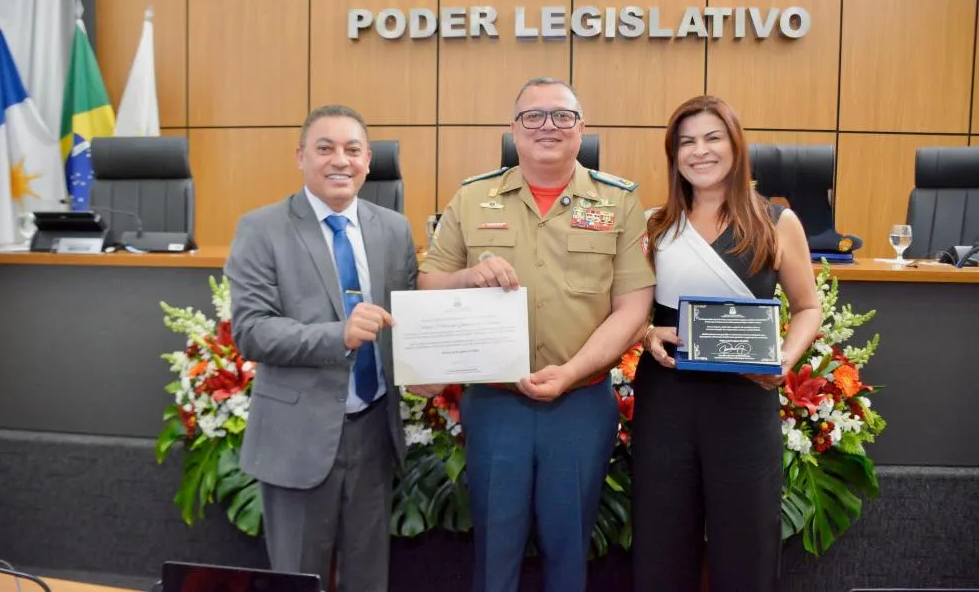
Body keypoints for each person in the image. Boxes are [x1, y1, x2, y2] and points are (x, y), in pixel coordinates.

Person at [415, 77, 655, 592]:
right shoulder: (473, 196)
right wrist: (465, 277)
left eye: (562, 116)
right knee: (494, 550)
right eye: (533, 116)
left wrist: (570, 373)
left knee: (569, 550)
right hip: (496, 403)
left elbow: (633, 307)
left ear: (581, 128)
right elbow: (429, 282)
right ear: (513, 129)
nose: (548, 126)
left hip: (580, 403)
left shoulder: (618, 203)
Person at [632, 95, 823, 592]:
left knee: (747, 542)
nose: (700, 151)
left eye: (712, 137)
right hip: (667, 398)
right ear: (673, 155)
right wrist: (646, 332)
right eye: (686, 142)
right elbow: (625, 311)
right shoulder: (654, 226)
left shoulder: (776, 221)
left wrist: (783, 358)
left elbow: (808, 308)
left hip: (745, 398)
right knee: (661, 539)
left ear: (736, 145)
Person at [224, 104, 417, 592]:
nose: (340, 160)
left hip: (373, 432)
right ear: (301, 156)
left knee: (368, 579)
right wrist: (340, 334)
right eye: (325, 148)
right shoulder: (261, 228)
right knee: (299, 579)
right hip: (297, 438)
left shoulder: (394, 229)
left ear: (369, 160)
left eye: (352, 149)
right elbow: (252, 331)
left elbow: (409, 316)